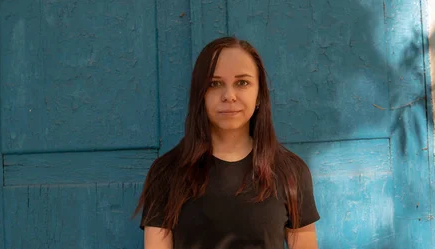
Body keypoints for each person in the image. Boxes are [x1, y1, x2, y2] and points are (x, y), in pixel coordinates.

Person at [134, 36, 320, 249]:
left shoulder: (291, 172)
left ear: (259, 94)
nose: (229, 95)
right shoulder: (166, 173)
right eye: (215, 84)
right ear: (200, 95)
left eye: (242, 82)